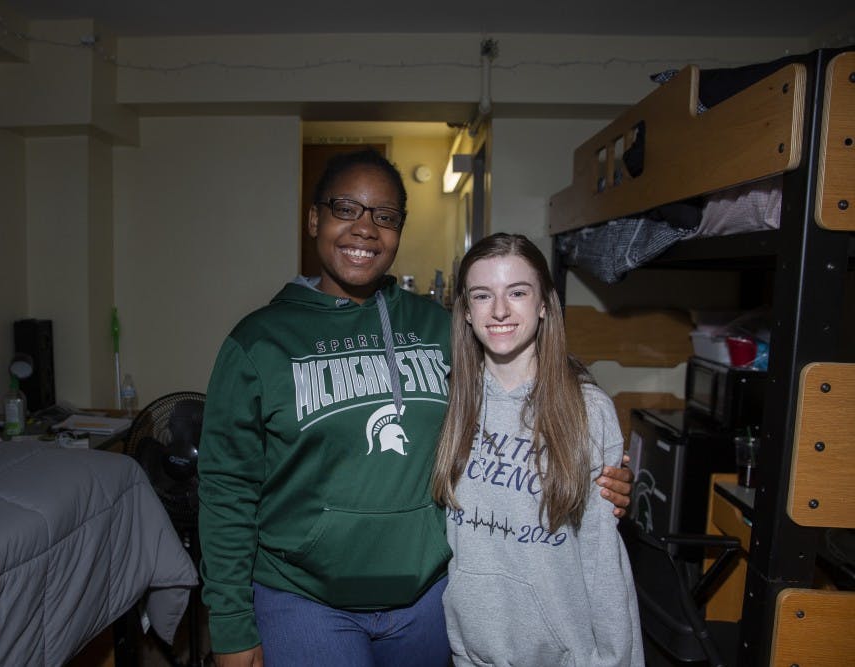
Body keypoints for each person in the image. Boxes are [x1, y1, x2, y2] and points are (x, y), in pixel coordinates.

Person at [197, 149, 633, 667]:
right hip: (305, 597)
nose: (365, 229)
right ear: (314, 218)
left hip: (426, 599)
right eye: (346, 209)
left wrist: (595, 468)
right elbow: (226, 490)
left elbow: (519, 391)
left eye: (385, 217)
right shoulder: (258, 343)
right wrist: (229, 624)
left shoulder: (439, 326)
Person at [432, 232, 644, 666]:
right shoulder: (448, 401)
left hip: (564, 654)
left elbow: (602, 559)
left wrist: (617, 658)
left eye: (517, 292)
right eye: (482, 295)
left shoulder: (586, 410)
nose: (500, 310)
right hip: (470, 653)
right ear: (467, 313)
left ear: (545, 304)